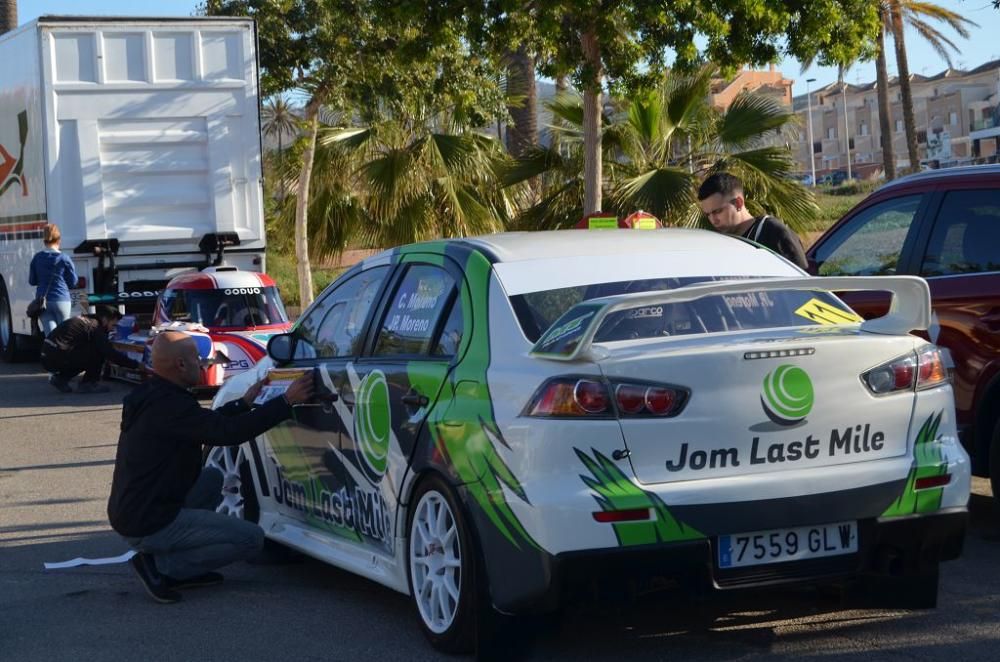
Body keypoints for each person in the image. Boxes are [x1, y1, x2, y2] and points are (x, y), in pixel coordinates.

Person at [107, 331, 315, 604]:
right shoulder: (171, 405)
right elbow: (229, 433)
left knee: (212, 478)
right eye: (198, 358)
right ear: (181, 365)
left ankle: (174, 561)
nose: (204, 364)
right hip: (149, 520)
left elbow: (205, 423)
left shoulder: (154, 395)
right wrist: (286, 402)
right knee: (251, 539)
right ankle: (163, 568)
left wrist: (245, 403)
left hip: (136, 509)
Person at [697, 173, 809, 270]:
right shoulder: (720, 242)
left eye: (718, 211)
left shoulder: (774, 233)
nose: (713, 220)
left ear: (738, 203)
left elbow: (803, 285)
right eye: (708, 214)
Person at [40, 305, 141, 394]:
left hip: (47, 357)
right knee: (98, 350)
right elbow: (110, 354)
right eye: (113, 325)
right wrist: (136, 365)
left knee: (86, 350)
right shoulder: (95, 327)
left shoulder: (85, 320)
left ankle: (61, 379)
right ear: (105, 319)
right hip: (57, 357)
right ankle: (88, 383)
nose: (112, 329)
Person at [28, 223, 78, 337]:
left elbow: (32, 281)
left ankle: (52, 354)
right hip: (62, 300)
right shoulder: (65, 258)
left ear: (44, 240)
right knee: (65, 336)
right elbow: (73, 283)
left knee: (51, 337)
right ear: (59, 239)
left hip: (43, 302)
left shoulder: (37, 258)